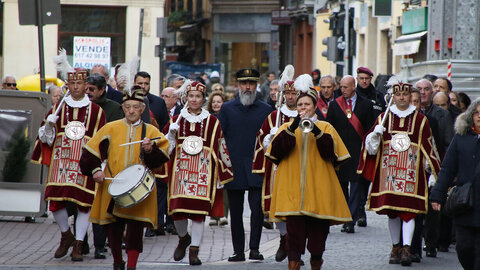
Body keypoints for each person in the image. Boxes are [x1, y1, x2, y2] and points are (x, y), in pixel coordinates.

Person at [266, 74, 351, 270]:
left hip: (319, 192)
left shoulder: (325, 127)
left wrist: (316, 132)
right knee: (293, 238)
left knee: (317, 238)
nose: (303, 108)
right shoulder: (287, 127)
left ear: (314, 107)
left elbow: (332, 155)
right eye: (300, 105)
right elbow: (276, 153)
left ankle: (316, 264)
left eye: (307, 105)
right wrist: (293, 127)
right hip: (292, 193)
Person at [79, 87, 170, 270]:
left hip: (139, 189)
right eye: (127, 106)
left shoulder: (151, 132)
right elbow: (90, 152)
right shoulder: (111, 128)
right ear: (122, 107)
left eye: (135, 107)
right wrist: (96, 170)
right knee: (113, 227)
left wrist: (150, 150)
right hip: (113, 185)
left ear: (142, 109)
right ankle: (118, 262)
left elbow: (161, 161)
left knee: (135, 229)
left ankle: (132, 266)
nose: (131, 110)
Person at [358, 80, 441, 267]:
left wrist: (434, 173)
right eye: (398, 95)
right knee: (393, 213)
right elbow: (370, 149)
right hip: (389, 173)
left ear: (410, 97)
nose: (402, 98)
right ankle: (395, 247)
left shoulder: (420, 120)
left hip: (412, 173)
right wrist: (374, 135)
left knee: (409, 212)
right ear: (393, 96)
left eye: (405, 95)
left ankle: (407, 248)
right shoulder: (383, 118)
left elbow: (430, 147)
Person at [31, 66, 106, 261]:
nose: (75, 87)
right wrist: (48, 126)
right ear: (68, 85)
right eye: (72, 83)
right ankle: (66, 235)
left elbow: (102, 140)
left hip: (84, 162)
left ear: (85, 85)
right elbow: (46, 140)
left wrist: (100, 165)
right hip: (61, 161)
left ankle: (78, 244)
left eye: (79, 83)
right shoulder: (57, 108)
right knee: (54, 198)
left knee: (83, 204)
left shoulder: (96, 111)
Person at [162, 81, 233, 265]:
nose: (194, 99)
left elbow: (220, 147)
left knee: (198, 213)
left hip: (204, 172)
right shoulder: (176, 120)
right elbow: (165, 149)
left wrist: (221, 175)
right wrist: (170, 135)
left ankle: (194, 250)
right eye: (191, 96)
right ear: (186, 98)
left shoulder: (212, 121)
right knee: (177, 211)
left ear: (203, 99)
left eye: (198, 96)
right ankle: (184, 238)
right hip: (180, 173)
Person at [217, 68, 273, 262]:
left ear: (256, 85)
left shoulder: (267, 110)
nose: (247, 87)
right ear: (238, 85)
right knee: (236, 212)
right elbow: (219, 138)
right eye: (243, 83)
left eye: (251, 83)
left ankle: (255, 249)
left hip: (257, 167)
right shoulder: (227, 108)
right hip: (234, 168)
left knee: (257, 211)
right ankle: (238, 251)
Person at [252, 64, 296, 262]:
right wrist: (268, 140)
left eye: (294, 94)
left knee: (299, 207)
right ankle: (284, 238)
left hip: (300, 168)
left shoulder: (307, 115)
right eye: (287, 94)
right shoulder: (273, 117)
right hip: (279, 168)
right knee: (278, 207)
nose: (291, 97)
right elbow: (260, 141)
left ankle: (295, 247)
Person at [431, 98, 480, 270]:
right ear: (471, 115)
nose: (479, 116)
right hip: (465, 203)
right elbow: (447, 168)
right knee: (463, 248)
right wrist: (437, 195)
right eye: (476, 113)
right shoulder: (461, 138)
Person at [326, 75, 374, 233]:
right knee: (341, 186)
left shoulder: (366, 105)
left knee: (356, 187)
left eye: (346, 87)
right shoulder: (334, 105)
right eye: (341, 87)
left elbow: (369, 129)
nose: (342, 90)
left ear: (354, 86)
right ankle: (345, 214)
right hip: (340, 152)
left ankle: (351, 220)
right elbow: (330, 128)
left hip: (357, 152)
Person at [85, 73, 124, 259]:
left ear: (102, 90)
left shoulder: (114, 108)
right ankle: (80, 242)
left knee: (100, 202)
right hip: (85, 159)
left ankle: (99, 245)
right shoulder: (82, 106)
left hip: (105, 160)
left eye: (92, 89)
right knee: (81, 203)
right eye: (86, 89)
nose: (88, 92)